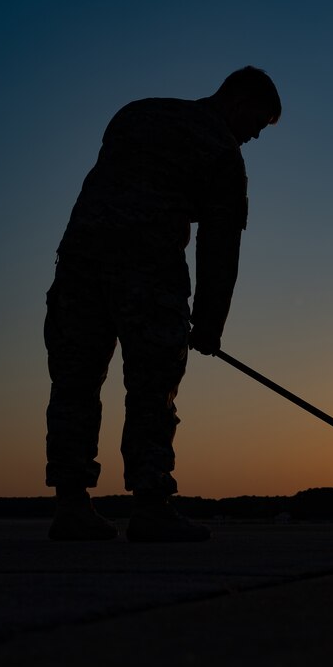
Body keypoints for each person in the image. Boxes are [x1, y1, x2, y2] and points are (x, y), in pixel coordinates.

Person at [44, 67, 280, 542]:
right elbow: (219, 248)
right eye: (258, 122)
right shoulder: (221, 152)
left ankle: (71, 506)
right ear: (238, 101)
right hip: (147, 275)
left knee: (75, 384)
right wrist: (209, 325)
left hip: (79, 266)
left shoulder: (139, 112)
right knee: (152, 390)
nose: (254, 135)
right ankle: (150, 507)